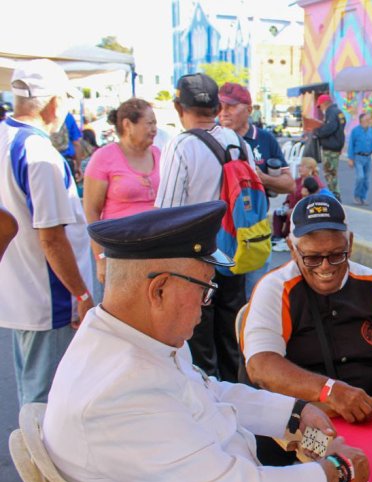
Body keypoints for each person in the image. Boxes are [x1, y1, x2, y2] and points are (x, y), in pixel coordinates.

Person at [42, 201, 370, 482]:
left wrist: (294, 413)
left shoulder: (126, 337)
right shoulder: (119, 392)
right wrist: (337, 471)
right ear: (159, 289)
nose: (206, 303)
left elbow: (208, 391)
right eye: (204, 288)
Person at [242, 193, 372, 424]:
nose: (325, 267)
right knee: (338, 460)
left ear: (351, 244)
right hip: (302, 420)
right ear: (293, 250)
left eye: (336, 254)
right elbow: (260, 365)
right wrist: (329, 391)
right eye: (312, 257)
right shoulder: (275, 288)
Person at [0, 60, 93, 482]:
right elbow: (51, 234)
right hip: (45, 291)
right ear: (55, 103)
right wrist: (80, 293)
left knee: (32, 388)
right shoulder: (36, 151)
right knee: (45, 395)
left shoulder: (6, 138)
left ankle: (42, 479)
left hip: (19, 285)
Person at [155, 72, 256, 381]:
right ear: (216, 106)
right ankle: (239, 406)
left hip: (195, 258)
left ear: (178, 107)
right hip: (235, 254)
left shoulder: (181, 146)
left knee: (199, 347)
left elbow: (167, 214)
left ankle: (210, 413)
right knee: (231, 340)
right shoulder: (240, 143)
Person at [218, 82, 295, 298]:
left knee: (254, 297)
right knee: (222, 302)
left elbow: (289, 184)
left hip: (255, 232)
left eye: (231, 106)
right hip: (221, 231)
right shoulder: (211, 137)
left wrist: (260, 179)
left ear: (249, 109)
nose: (224, 112)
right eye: (220, 105)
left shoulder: (265, 139)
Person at [83, 98, 160, 287]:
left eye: (155, 123)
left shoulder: (159, 153)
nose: (154, 129)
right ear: (127, 125)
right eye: (149, 123)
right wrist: (100, 257)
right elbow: (91, 211)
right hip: (119, 253)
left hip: (156, 251)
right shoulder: (104, 158)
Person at [312, 93, 346, 200]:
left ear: (324, 104)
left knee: (329, 173)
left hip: (330, 148)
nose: (320, 108)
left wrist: (317, 132)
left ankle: (334, 196)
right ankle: (335, 194)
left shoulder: (331, 112)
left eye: (320, 106)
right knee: (332, 172)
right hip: (336, 146)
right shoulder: (339, 112)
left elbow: (330, 127)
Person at [347, 112, 372, 205]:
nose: (369, 121)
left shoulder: (371, 131)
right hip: (358, 157)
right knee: (360, 177)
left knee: (366, 179)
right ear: (362, 120)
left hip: (368, 157)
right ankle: (357, 196)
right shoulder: (355, 131)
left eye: (369, 119)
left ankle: (363, 197)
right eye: (367, 119)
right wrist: (350, 158)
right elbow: (351, 145)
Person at [50, 110, 83, 181]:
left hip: (46, 161)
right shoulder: (67, 116)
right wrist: (78, 166)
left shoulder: (37, 115)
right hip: (66, 162)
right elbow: (77, 143)